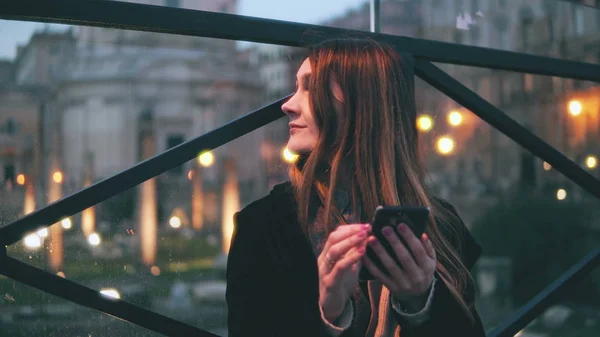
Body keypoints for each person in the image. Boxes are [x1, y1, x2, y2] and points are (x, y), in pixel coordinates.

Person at [225, 37, 486, 337]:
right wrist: (328, 314)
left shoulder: (440, 224)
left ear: (363, 103)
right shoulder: (262, 227)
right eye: (296, 87)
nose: (287, 105)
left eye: (310, 88)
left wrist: (421, 302)